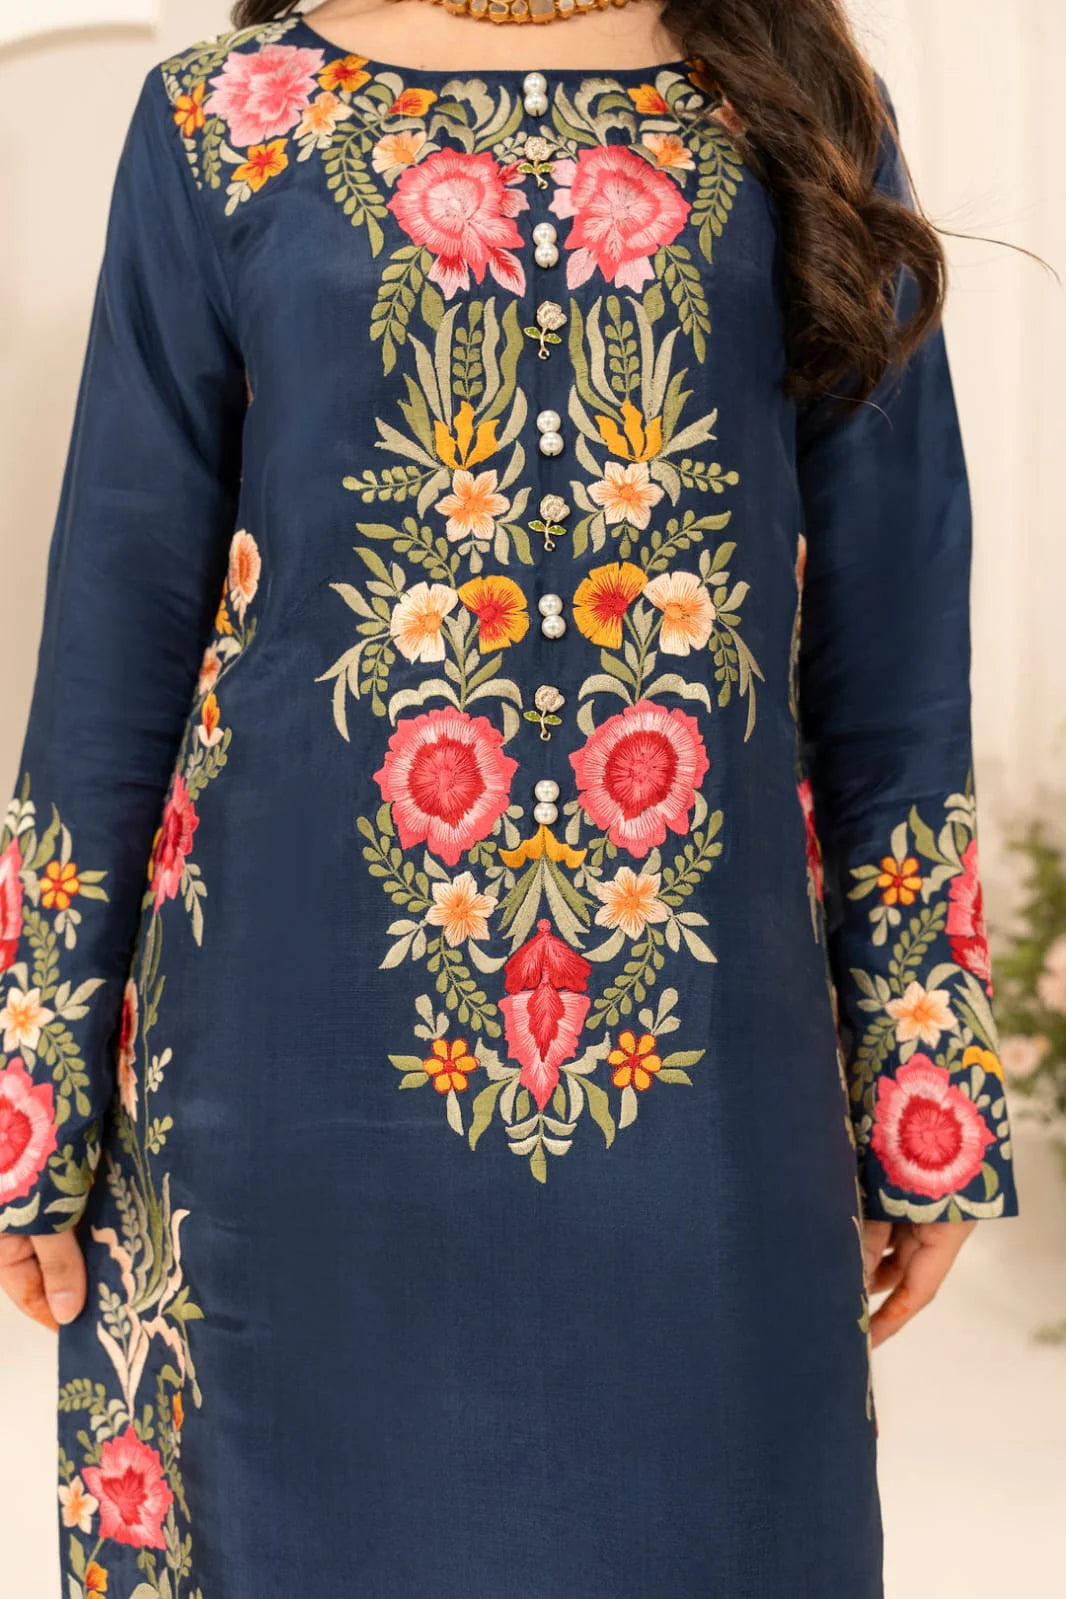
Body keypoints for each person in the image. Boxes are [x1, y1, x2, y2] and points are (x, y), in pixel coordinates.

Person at [0, 0, 1020, 1593]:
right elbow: (116, 626)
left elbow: (890, 648)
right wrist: (36, 1093)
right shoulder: (225, 119)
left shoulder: (798, 108)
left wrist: (922, 1082)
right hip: (279, 1077)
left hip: (702, 1092)